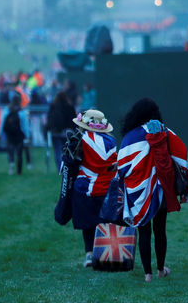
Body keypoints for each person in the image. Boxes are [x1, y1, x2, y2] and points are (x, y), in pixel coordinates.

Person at [118, 98, 188, 282]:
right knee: (160, 230)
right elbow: (181, 153)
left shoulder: (131, 137)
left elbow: (122, 165)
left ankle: (147, 275)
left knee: (144, 232)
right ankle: (160, 269)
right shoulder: (165, 132)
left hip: (140, 192)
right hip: (162, 190)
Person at [70, 109, 118, 268]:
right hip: (106, 189)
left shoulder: (80, 139)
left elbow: (71, 163)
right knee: (105, 223)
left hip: (85, 188)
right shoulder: (112, 142)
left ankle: (89, 255)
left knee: (87, 223)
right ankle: (107, 255)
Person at [45, 90, 75, 170]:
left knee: (58, 151)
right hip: (67, 132)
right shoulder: (70, 106)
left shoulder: (53, 106)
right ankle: (67, 167)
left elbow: (49, 118)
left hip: (55, 132)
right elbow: (73, 120)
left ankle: (60, 168)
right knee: (67, 151)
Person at [0, 93, 29, 175]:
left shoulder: (7, 110)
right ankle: (19, 171)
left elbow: (3, 123)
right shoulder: (21, 111)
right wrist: (27, 135)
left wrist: (0, 133)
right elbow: (24, 125)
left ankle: (11, 163)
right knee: (19, 152)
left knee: (10, 150)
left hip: (9, 134)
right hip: (19, 134)